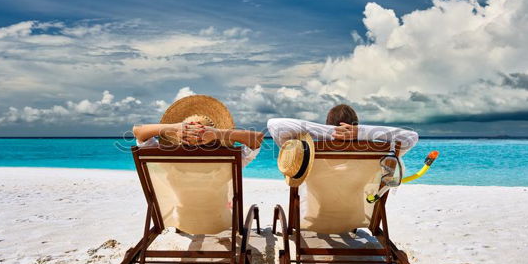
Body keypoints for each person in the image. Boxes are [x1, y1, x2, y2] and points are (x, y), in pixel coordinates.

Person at [133, 94, 263, 165]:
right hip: (219, 214)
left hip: (173, 214)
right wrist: (217, 133)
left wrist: (174, 128)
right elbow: (257, 137)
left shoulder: (163, 158)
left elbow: (138, 131)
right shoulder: (229, 159)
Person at [267, 103, 418, 156]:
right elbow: (410, 138)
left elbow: (274, 125)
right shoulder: (378, 152)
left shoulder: (308, 153)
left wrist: (328, 132)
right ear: (356, 124)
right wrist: (360, 133)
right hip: (359, 218)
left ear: (327, 123)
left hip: (311, 219)